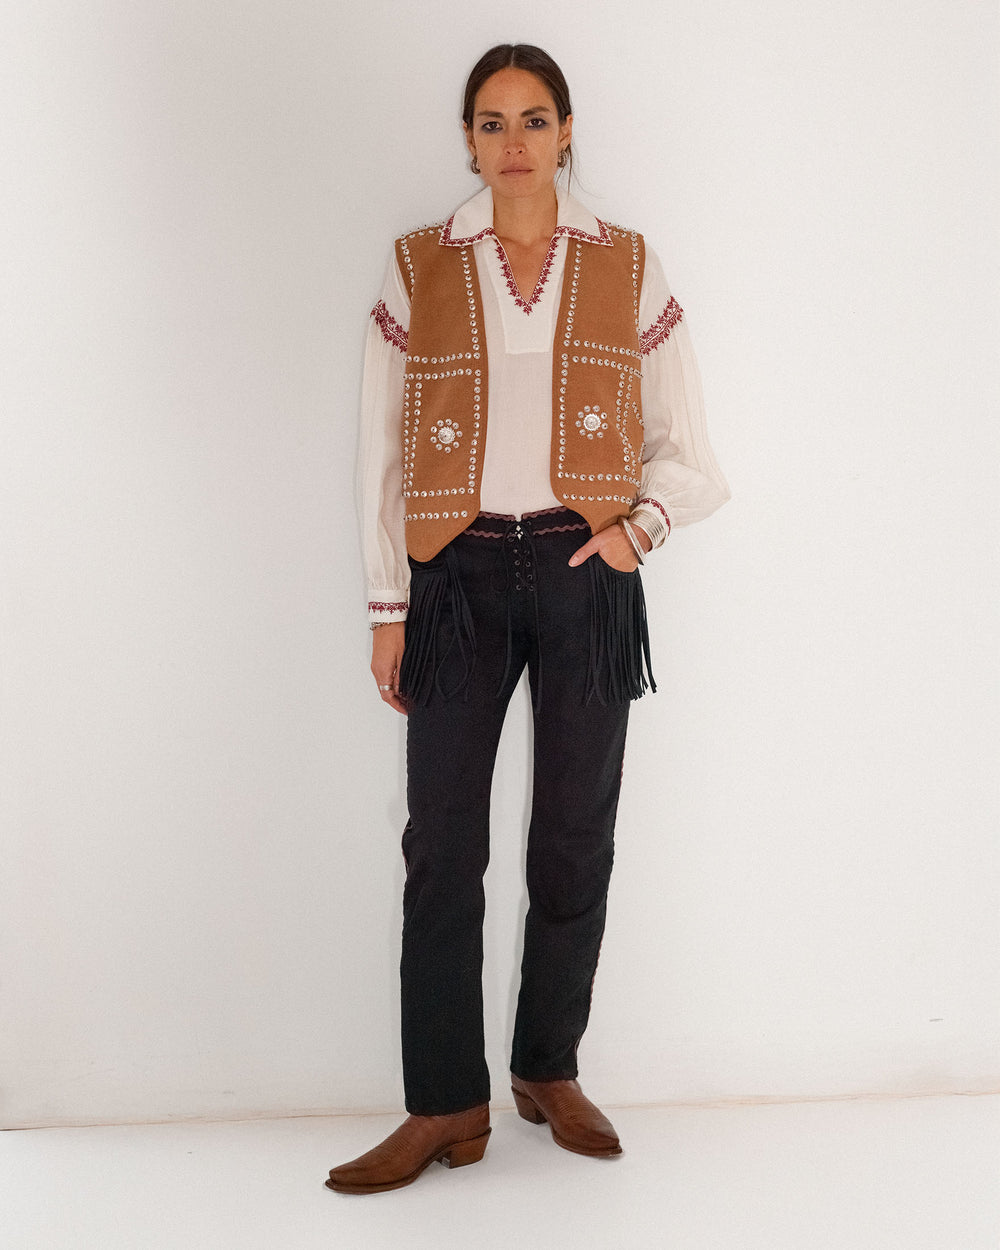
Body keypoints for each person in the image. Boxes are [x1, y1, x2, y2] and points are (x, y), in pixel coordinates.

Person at [326, 43, 729, 1195]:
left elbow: (690, 451)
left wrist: (630, 533)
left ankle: (547, 1066)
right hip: (451, 570)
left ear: (565, 133)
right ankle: (442, 1099)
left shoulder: (628, 265)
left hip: (581, 566)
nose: (512, 143)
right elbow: (380, 453)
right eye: (491, 122)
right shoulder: (418, 267)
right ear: (467, 138)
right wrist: (386, 603)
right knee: (440, 842)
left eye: (533, 120)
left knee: (573, 832)